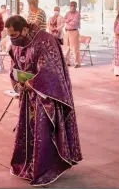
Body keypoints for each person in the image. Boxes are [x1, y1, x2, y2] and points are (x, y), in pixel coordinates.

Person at [5, 15, 82, 186]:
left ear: (24, 29)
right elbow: (14, 63)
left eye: (14, 35)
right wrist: (18, 80)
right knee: (28, 131)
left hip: (45, 97)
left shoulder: (45, 41)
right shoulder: (17, 43)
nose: (12, 39)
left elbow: (51, 70)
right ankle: (27, 164)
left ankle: (46, 167)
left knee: (44, 132)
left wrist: (31, 82)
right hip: (27, 95)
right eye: (9, 35)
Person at [64, 1, 82, 68]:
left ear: (76, 6)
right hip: (67, 32)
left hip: (74, 31)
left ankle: (77, 63)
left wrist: (68, 21)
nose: (72, 7)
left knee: (75, 48)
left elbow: (74, 23)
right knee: (67, 48)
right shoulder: (67, 13)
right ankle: (67, 62)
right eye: (71, 5)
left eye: (74, 5)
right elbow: (64, 20)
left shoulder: (77, 14)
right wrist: (69, 20)